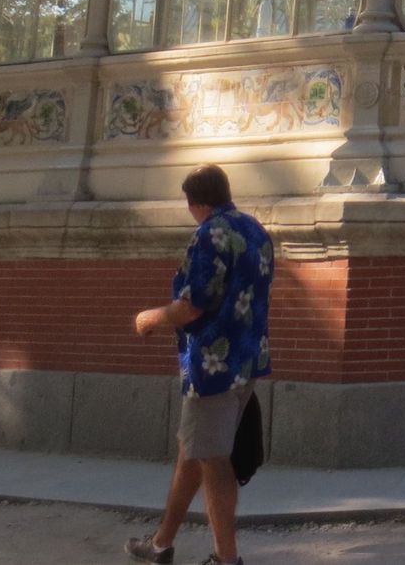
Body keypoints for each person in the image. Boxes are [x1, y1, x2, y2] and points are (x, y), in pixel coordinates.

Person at [126, 164, 274, 565]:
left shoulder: (210, 234)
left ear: (195, 202)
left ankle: (226, 559)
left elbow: (191, 306)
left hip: (212, 367)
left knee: (211, 458)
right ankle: (160, 544)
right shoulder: (255, 230)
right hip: (247, 359)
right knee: (192, 451)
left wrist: (149, 318)